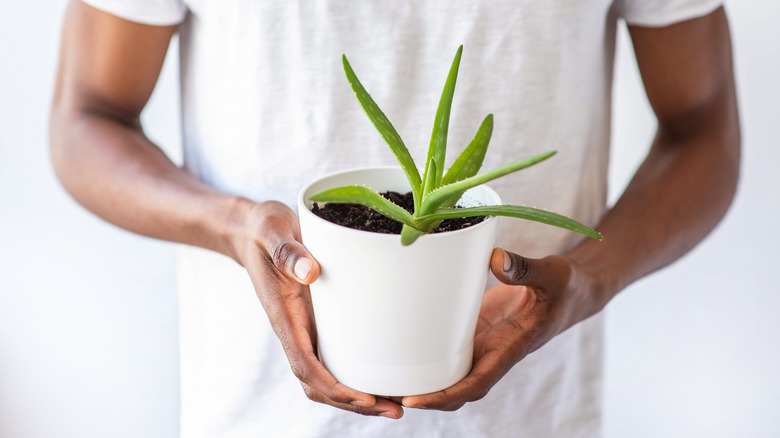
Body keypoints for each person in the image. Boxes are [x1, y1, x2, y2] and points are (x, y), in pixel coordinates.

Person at [50, 0, 739, 436]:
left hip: (536, 417)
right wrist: (232, 224)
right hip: (255, 415)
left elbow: (702, 127)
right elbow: (86, 119)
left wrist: (589, 278)